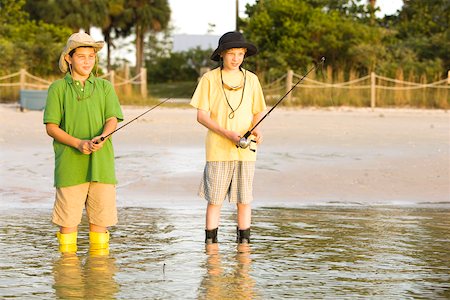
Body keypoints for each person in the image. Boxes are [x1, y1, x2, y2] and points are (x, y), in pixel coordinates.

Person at [43, 31, 123, 254]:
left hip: (102, 166)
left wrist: (103, 136)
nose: (87, 61)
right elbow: (51, 127)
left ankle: (98, 281)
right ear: (69, 58)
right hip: (70, 166)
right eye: (81, 56)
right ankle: (68, 282)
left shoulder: (105, 87)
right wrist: (78, 143)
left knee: (100, 225)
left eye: (91, 56)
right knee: (68, 225)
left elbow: (112, 119)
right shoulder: (57, 88)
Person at [190, 31, 266, 244]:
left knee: (244, 201)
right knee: (214, 200)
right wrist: (227, 134)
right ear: (222, 54)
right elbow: (201, 116)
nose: (236, 58)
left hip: (246, 151)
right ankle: (211, 252)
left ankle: (244, 250)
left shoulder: (252, 79)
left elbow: (258, 111)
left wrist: (257, 128)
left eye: (240, 54)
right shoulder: (209, 79)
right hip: (217, 149)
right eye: (231, 53)